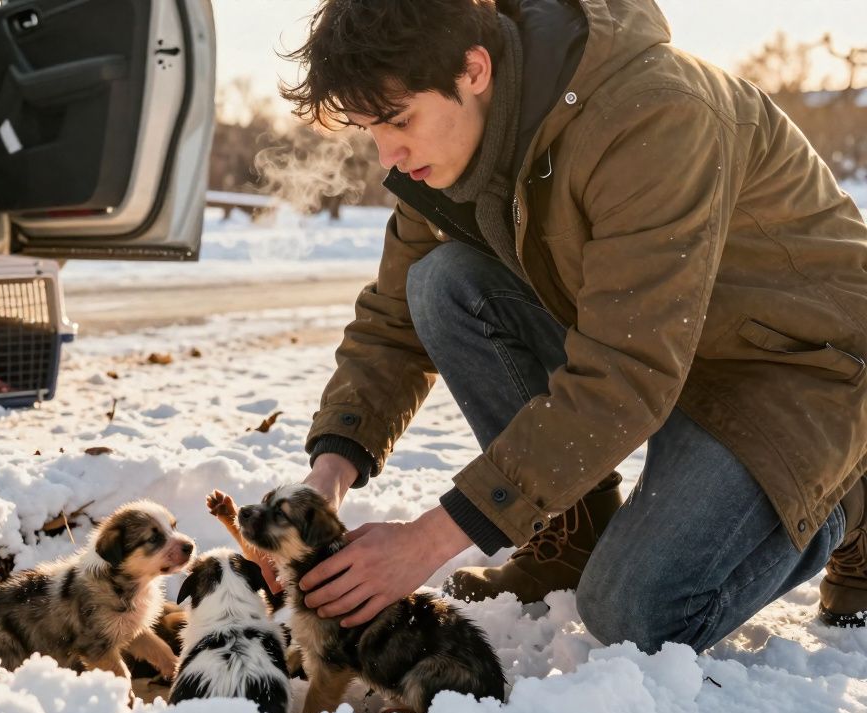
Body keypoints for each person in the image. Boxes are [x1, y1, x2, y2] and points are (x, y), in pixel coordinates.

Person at [274, 0, 867, 653]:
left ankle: (846, 493)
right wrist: (330, 469)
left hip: (796, 369)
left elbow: (625, 373)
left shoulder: (652, 114)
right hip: (664, 351)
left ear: (473, 70)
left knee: (633, 617)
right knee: (442, 283)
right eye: (369, 130)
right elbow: (392, 321)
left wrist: (428, 539)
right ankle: (571, 532)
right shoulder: (451, 150)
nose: (389, 152)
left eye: (399, 120)